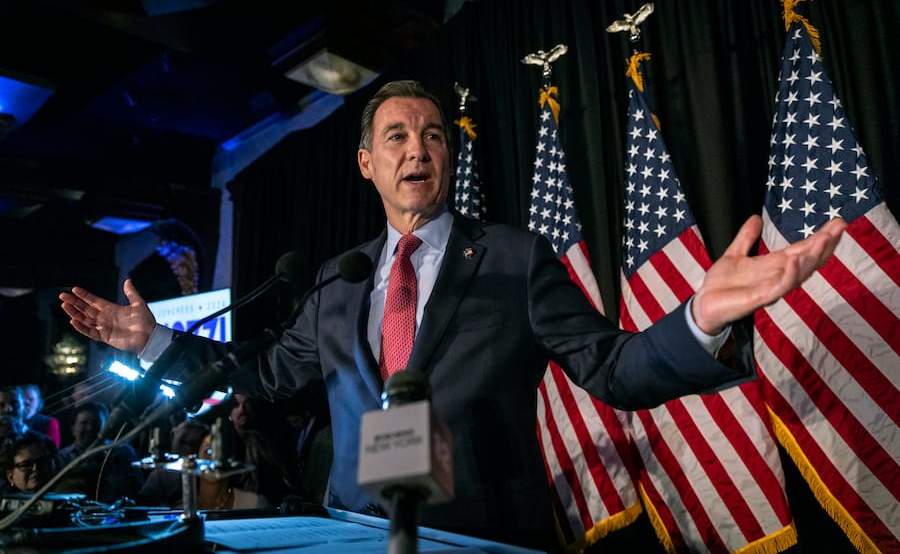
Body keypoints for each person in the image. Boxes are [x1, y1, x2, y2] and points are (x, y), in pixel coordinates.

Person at [58, 79, 846, 551]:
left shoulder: (512, 257)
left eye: (433, 135)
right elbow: (261, 375)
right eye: (397, 136)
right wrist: (154, 341)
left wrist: (698, 316)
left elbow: (613, 368)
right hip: (353, 533)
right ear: (367, 163)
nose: (418, 149)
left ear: (448, 156)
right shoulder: (340, 278)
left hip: (478, 535)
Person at [56, 401, 143, 504]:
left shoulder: (122, 452)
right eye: (84, 423)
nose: (90, 428)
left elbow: (136, 487)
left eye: (96, 422)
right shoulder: (61, 457)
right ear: (73, 429)